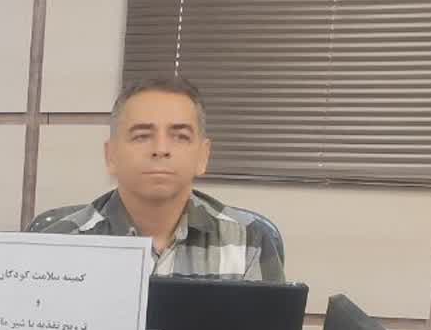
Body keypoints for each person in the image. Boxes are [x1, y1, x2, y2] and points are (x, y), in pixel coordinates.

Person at [38, 75, 285, 281]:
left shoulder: (249, 242)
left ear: (203, 156)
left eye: (180, 136)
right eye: (142, 136)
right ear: (111, 155)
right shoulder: (58, 243)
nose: (161, 149)